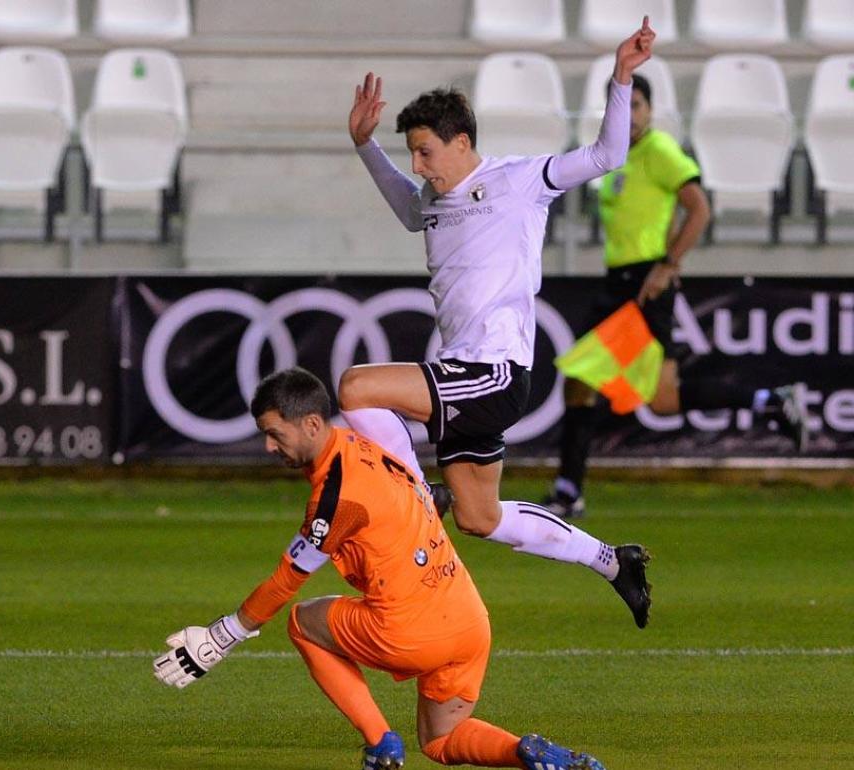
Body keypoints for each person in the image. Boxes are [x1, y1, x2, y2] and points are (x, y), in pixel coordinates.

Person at [338, 20, 655, 627]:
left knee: (357, 387)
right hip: (471, 372)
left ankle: (410, 492)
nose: (420, 165)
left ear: (462, 142)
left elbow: (607, 155)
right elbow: (410, 209)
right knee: (479, 518)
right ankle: (615, 561)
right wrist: (365, 146)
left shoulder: (517, 181)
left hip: (492, 368)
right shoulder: (432, 199)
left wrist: (621, 75)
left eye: (426, 151)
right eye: (412, 153)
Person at [154, 368, 608, 770]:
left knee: (302, 621)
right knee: (442, 740)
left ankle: (380, 744)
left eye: (275, 434)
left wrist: (223, 636)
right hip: (468, 620)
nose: (269, 446)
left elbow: (286, 580)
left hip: (410, 632)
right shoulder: (363, 445)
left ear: (311, 424)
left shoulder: (335, 498)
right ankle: (525, 752)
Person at [541, 73, 812, 519]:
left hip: (643, 286)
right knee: (660, 399)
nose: (630, 116)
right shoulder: (612, 158)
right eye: (621, 107)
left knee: (581, 381)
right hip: (621, 283)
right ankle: (771, 400)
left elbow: (699, 207)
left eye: (638, 106)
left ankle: (569, 490)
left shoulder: (660, 151)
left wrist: (668, 266)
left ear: (650, 111)